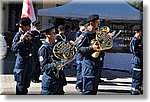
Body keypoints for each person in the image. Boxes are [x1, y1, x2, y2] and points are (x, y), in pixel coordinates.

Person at [38, 23, 67, 95]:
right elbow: (43, 67)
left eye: (55, 32)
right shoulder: (44, 49)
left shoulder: (55, 47)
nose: (55, 35)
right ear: (47, 35)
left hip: (58, 81)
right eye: (53, 33)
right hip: (50, 83)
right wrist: (57, 64)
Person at [78, 14, 102, 95]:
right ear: (91, 23)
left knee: (94, 92)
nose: (99, 24)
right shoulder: (85, 34)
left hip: (96, 65)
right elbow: (79, 49)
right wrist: (91, 48)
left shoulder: (97, 34)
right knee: (87, 92)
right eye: (97, 22)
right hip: (89, 66)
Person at [11, 17, 33, 95]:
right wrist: (20, 41)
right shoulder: (18, 35)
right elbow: (13, 48)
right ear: (23, 26)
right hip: (21, 62)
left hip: (29, 61)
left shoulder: (29, 34)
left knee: (26, 83)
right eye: (28, 25)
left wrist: (30, 40)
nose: (30, 27)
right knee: (20, 84)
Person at [130, 25, 143, 95]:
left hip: (140, 61)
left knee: (140, 77)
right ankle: (134, 91)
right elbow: (135, 51)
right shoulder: (134, 41)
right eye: (141, 31)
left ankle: (138, 89)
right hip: (137, 62)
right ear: (137, 32)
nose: (142, 33)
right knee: (136, 77)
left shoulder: (140, 39)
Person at [75, 20, 87, 92]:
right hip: (80, 55)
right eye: (84, 26)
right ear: (80, 26)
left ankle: (83, 84)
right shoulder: (79, 33)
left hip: (84, 54)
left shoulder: (85, 33)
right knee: (80, 70)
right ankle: (79, 85)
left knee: (84, 70)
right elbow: (78, 43)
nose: (85, 27)